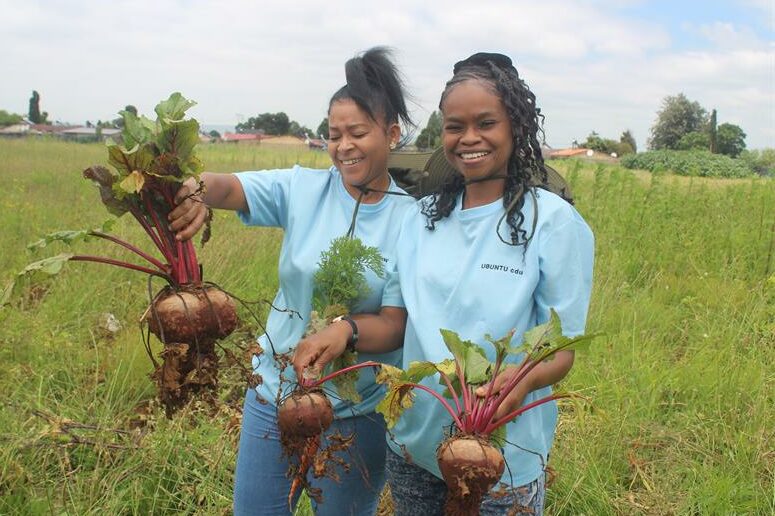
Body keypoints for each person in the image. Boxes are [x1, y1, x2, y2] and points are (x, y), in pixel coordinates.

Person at [293, 52, 594, 515]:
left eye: (486, 123)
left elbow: (561, 349)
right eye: (455, 126)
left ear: (515, 127)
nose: (468, 138)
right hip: (414, 447)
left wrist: (519, 379)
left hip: (498, 456)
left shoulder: (552, 223)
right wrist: (345, 330)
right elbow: (398, 322)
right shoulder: (421, 218)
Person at [169, 47, 415, 516]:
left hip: (357, 412)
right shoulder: (304, 188)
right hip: (274, 391)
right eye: (334, 134)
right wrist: (197, 188)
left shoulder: (411, 220)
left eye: (358, 133)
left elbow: (395, 323)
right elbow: (231, 187)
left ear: (392, 134)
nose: (344, 146)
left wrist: (344, 329)